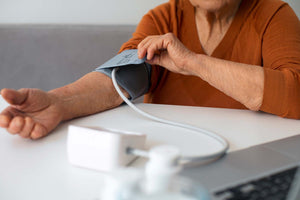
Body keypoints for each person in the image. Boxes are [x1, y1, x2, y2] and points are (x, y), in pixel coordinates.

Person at [0, 0, 299, 140]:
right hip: (166, 160)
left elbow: (295, 93)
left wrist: (193, 63)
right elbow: (118, 80)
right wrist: (59, 103)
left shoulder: (274, 15)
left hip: (250, 163)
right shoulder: (162, 18)